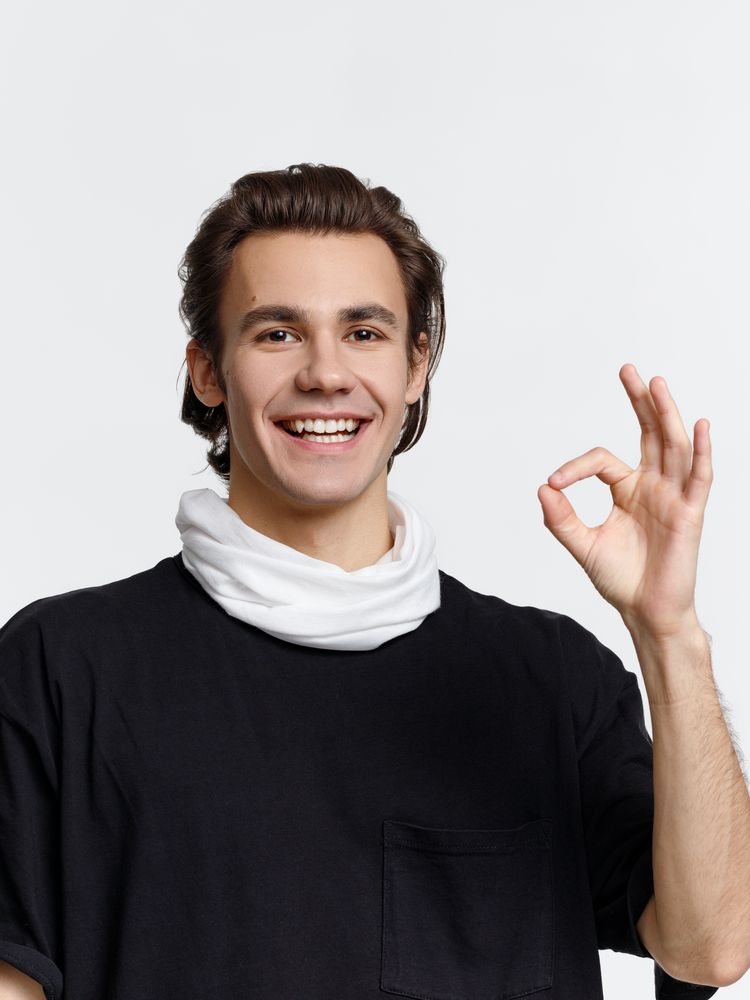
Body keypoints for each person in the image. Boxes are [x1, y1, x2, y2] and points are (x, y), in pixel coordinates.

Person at [0, 163, 743, 1000]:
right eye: (277, 333)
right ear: (207, 370)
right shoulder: (61, 668)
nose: (326, 373)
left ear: (416, 366)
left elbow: (713, 948)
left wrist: (669, 631)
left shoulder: (554, 679)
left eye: (363, 332)